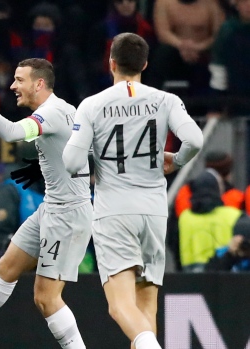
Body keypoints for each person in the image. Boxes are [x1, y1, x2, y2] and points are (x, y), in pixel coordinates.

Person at [62, 32, 204, 349]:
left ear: (111, 63)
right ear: (145, 64)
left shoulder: (92, 105)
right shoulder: (166, 100)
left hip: (114, 211)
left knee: (120, 306)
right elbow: (195, 140)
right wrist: (177, 161)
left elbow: (71, 160)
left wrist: (91, 168)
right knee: (146, 306)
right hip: (154, 210)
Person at [0, 58, 92, 349]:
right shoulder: (67, 109)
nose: (13, 86)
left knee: (46, 297)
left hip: (67, 216)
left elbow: (12, 133)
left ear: (39, 84)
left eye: (19, 80)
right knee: (7, 267)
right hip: (52, 208)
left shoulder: (51, 113)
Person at [149, 0, 225, 94]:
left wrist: (198, 47)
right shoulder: (163, 3)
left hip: (203, 54)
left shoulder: (211, 4)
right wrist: (182, 45)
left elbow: (219, 35)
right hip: (173, 53)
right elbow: (162, 33)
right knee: (161, 54)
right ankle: (150, 102)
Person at [178, 169, 243, 272]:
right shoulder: (234, 215)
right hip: (225, 276)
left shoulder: (184, 218)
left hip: (190, 279)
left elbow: (173, 244)